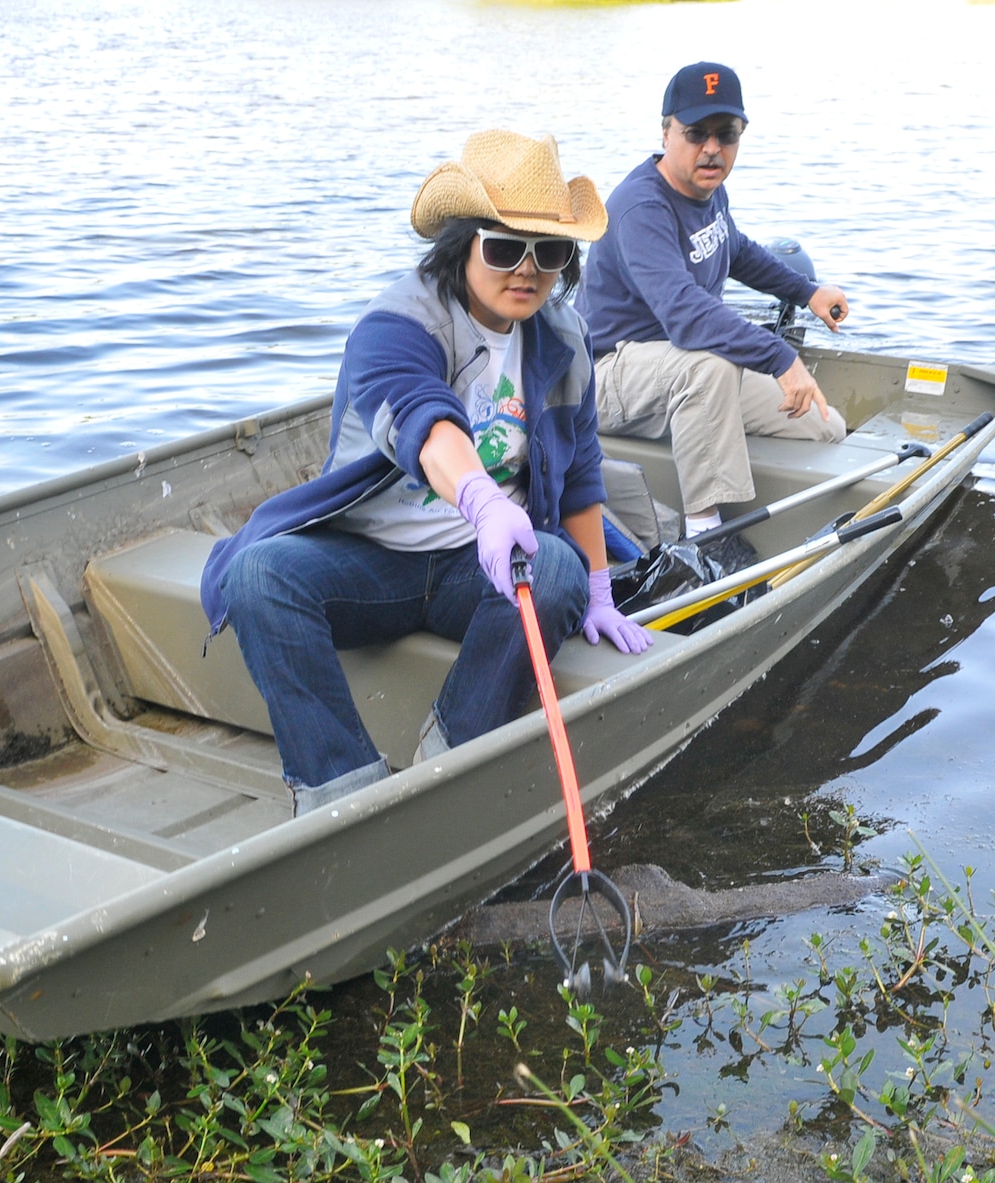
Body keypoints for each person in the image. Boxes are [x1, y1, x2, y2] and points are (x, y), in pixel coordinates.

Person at [200, 130, 652, 816]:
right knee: (258, 576)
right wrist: (480, 498)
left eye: (550, 252)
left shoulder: (563, 338)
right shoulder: (395, 324)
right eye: (504, 248)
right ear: (462, 244)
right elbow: (423, 421)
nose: (526, 271)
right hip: (370, 560)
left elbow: (581, 467)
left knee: (554, 567)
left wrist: (597, 590)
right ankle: (342, 794)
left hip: (481, 568)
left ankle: (444, 772)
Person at [576, 61, 853, 545]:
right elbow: (685, 314)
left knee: (823, 424)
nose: (712, 148)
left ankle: (747, 487)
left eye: (726, 134)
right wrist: (779, 356)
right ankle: (706, 540)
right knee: (709, 363)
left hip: (679, 373)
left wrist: (806, 292)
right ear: (666, 134)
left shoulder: (708, 189)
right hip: (606, 376)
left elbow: (736, 249)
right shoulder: (643, 208)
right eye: (695, 132)